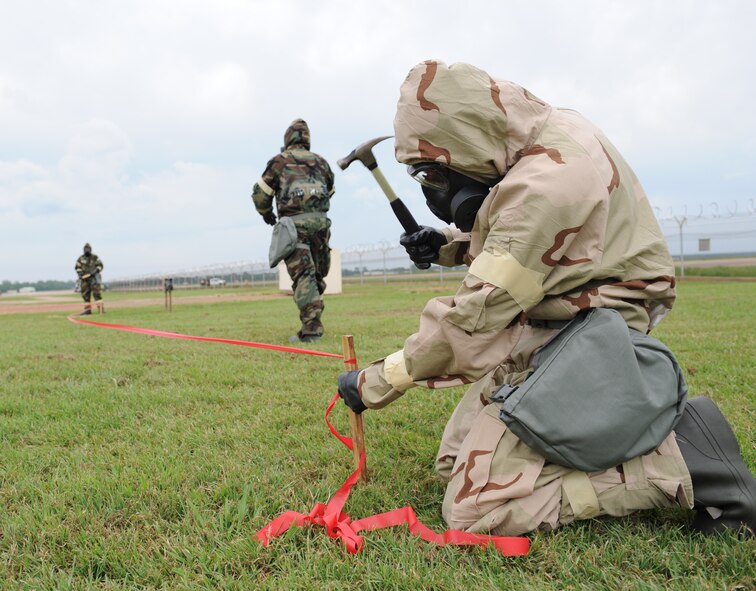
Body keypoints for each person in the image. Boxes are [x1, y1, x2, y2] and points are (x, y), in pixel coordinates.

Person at [338, 60, 755, 537]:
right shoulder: (534, 138)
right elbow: (537, 239)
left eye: (433, 176)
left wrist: (375, 381)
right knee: (453, 461)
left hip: (591, 327)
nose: (434, 191)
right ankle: (596, 440)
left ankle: (683, 460)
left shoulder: (549, 181)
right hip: (557, 317)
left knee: (473, 513)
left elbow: (473, 320)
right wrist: (451, 245)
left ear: (467, 144)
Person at [251, 119, 335, 343]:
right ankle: (313, 313)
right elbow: (330, 191)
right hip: (321, 224)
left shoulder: (279, 162)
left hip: (294, 227)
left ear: (287, 139)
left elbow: (260, 194)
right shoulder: (322, 163)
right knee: (316, 274)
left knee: (303, 275)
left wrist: (267, 213)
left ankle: (312, 328)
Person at [75, 243, 104, 315]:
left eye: (88, 249)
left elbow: (100, 265)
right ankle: (88, 311)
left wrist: (95, 271)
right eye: (85, 249)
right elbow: (77, 267)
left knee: (97, 294)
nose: (86, 250)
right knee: (85, 295)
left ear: (90, 249)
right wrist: (80, 274)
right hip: (85, 279)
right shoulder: (80, 258)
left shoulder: (95, 257)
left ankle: (101, 310)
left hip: (94, 279)